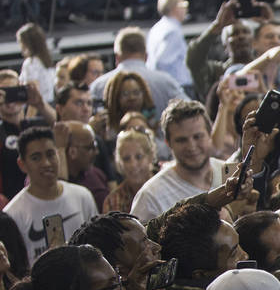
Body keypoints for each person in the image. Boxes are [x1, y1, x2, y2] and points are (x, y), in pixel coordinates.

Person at [2, 127, 97, 264]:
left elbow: (97, 247)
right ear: (22, 164)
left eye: (50, 154)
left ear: (58, 155)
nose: (46, 163)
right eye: (36, 158)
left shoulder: (83, 196)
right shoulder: (14, 214)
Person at [129, 100, 226, 222]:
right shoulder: (151, 197)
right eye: (181, 140)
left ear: (209, 134)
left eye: (197, 137)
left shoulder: (229, 174)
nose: (191, 147)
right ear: (168, 143)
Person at [88, 28, 187, 120]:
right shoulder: (166, 82)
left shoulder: (97, 86)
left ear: (117, 57)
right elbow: (189, 110)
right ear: (146, 56)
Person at [146, 0, 193, 93]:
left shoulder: (156, 28)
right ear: (175, 8)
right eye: (184, 4)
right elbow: (161, 61)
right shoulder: (172, 31)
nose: (186, 8)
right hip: (177, 87)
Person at [103, 130, 157, 214]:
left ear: (150, 157)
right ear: (120, 163)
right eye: (126, 159)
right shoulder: (113, 201)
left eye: (139, 157)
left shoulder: (166, 187)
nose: (133, 165)